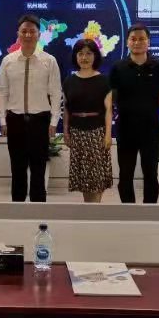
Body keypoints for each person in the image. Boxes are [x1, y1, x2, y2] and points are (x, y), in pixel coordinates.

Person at [0, 14, 62, 203]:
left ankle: (38, 211)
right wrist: (3, 120)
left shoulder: (49, 61)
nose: (27, 35)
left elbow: (55, 92)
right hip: (15, 120)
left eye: (32, 31)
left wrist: (54, 121)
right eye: (24, 31)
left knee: (38, 169)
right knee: (17, 169)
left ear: (38, 34)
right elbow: (2, 92)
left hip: (40, 121)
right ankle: (17, 211)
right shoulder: (8, 61)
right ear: (18, 34)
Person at [109, 23, 159, 204]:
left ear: (148, 42)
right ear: (128, 42)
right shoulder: (118, 67)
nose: (137, 42)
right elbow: (112, 96)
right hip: (125, 128)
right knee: (125, 173)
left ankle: (149, 211)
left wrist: (148, 107)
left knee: (150, 172)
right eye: (133, 39)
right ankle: (128, 211)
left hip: (150, 127)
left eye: (142, 39)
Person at [63, 39, 113, 203]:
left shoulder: (104, 81)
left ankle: (95, 209)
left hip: (97, 133)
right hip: (77, 133)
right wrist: (66, 132)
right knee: (84, 178)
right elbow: (67, 110)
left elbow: (108, 110)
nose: (84, 57)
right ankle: (88, 208)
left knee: (97, 176)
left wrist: (108, 135)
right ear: (76, 56)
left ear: (95, 56)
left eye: (89, 53)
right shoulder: (69, 81)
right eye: (80, 54)